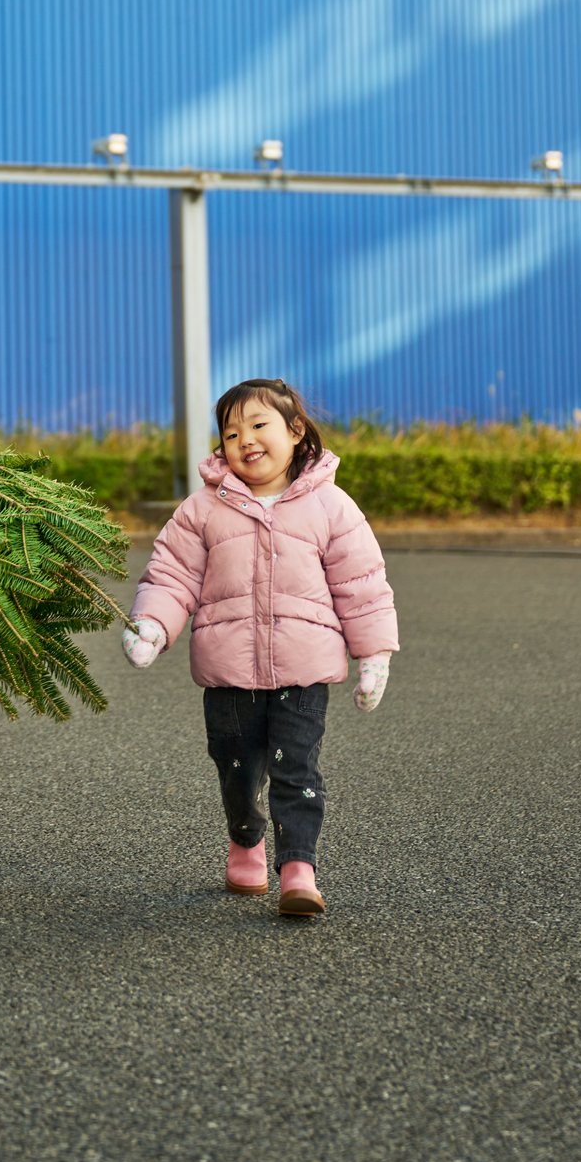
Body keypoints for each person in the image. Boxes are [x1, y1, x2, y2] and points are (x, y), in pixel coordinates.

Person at [121, 379, 397, 917]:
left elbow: (362, 584)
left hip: (304, 670)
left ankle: (299, 869)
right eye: (230, 432)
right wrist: (152, 624)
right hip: (229, 674)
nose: (244, 439)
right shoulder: (202, 509)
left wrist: (375, 654)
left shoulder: (331, 507)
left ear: (296, 432)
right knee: (238, 768)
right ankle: (245, 839)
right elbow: (172, 575)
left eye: (258, 425)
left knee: (297, 768)